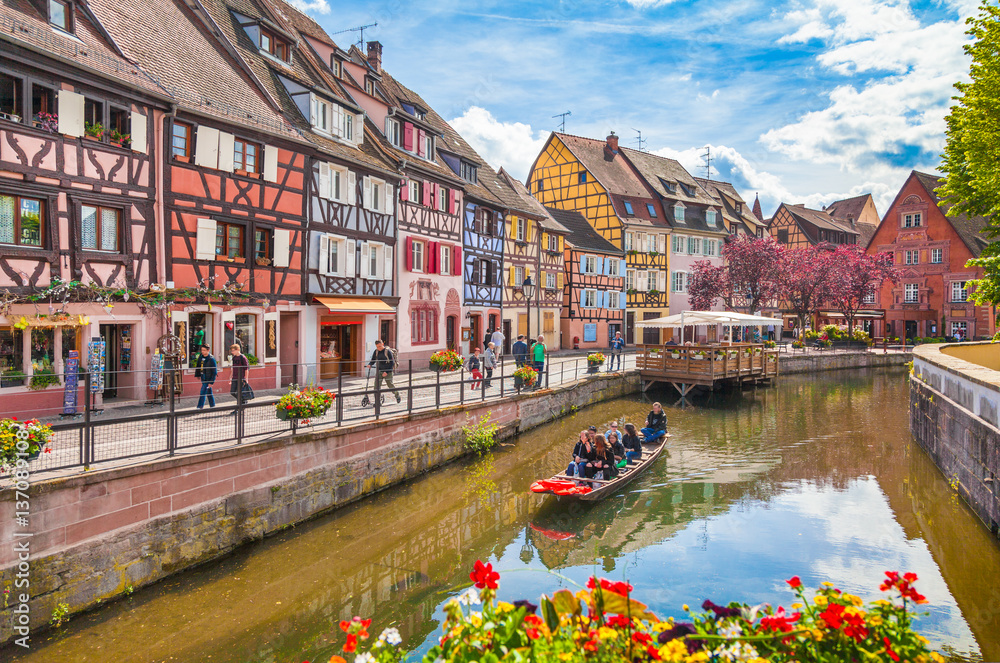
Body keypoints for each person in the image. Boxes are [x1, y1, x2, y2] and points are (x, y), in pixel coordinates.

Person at [367, 339, 401, 404]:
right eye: (377, 347)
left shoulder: (387, 351)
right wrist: (370, 364)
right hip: (379, 371)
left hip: (388, 371)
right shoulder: (376, 351)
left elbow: (392, 363)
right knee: (376, 386)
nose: (379, 348)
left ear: (382, 344)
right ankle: (378, 401)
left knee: (390, 385)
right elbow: (373, 360)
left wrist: (387, 372)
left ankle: (397, 395)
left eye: (380, 346)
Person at [194, 344, 217, 409]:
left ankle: (200, 406)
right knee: (208, 391)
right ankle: (212, 405)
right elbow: (198, 366)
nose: (202, 352)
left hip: (208, 377)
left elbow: (214, 371)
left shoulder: (211, 359)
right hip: (203, 376)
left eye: (204, 350)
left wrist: (211, 382)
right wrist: (198, 374)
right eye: (202, 350)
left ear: (208, 350)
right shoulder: (201, 357)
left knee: (203, 391)